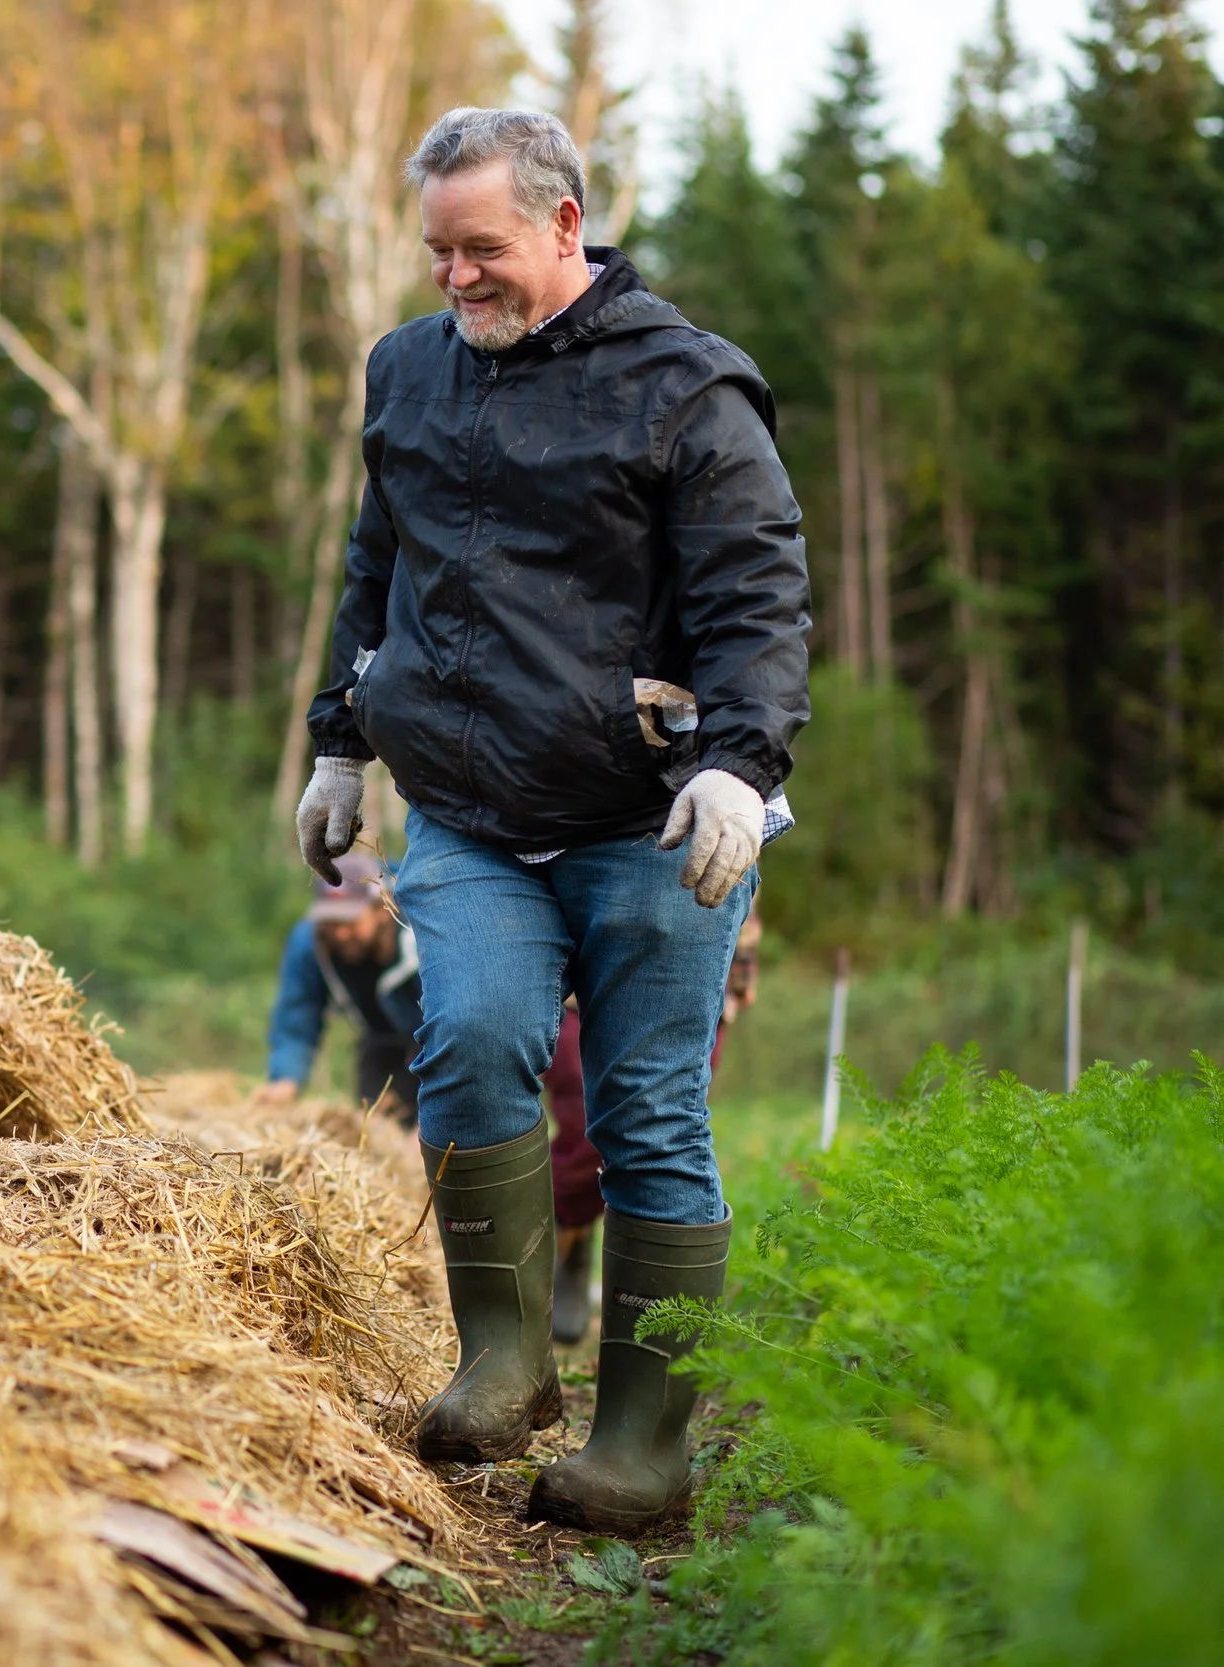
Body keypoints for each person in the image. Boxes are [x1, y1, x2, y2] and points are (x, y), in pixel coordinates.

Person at [290, 107, 809, 1533]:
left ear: (567, 223)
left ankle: (644, 1447)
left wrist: (738, 765)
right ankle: (506, 1359)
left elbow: (758, 595)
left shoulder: (685, 385)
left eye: (485, 249)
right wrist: (342, 736)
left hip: (651, 813)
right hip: (465, 803)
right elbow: (374, 556)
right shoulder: (408, 368)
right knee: (466, 1045)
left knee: (647, 1112)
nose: (456, 279)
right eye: (439, 252)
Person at [547, 911, 763, 1345]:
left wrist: (740, 972)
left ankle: (649, 1308)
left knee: (664, 1131)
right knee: (587, 1128)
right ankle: (573, 1236)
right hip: (582, 982)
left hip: (694, 971)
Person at [254, 853, 424, 1120]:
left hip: (438, 1043)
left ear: (381, 909)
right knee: (375, 1129)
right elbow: (298, 1013)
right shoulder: (309, 944)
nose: (340, 934)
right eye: (331, 923)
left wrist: (433, 1124)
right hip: (380, 1043)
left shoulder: (421, 931)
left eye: (349, 921)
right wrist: (286, 1079)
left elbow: (455, 1024)